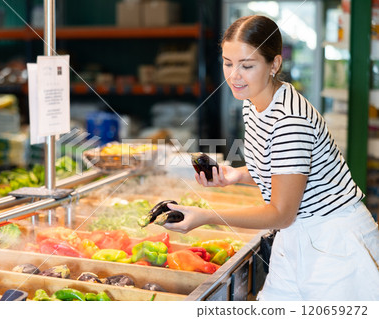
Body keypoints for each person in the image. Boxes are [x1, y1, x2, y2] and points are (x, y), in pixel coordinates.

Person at [162, 15, 379, 301]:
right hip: (297, 237)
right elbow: (286, 171)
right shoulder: (254, 104)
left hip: (334, 244)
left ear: (274, 64)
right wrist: (237, 175)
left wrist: (206, 216)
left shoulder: (290, 119)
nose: (234, 76)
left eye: (247, 66)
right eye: (228, 63)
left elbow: (281, 212)